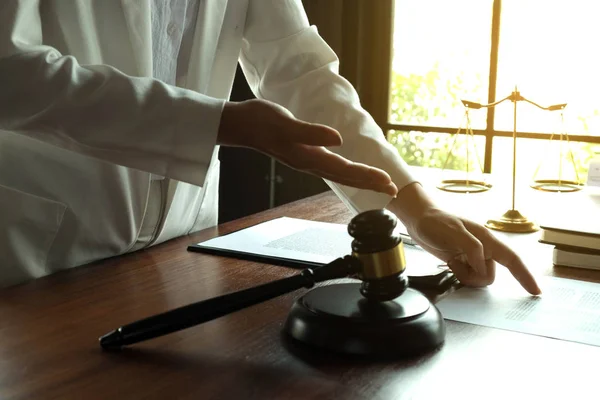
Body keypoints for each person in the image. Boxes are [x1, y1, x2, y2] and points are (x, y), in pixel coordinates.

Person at [0, 0, 541, 294]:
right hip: (46, 257)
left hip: (180, 251)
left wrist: (415, 205)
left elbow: (299, 69)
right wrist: (220, 122)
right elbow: (11, 70)